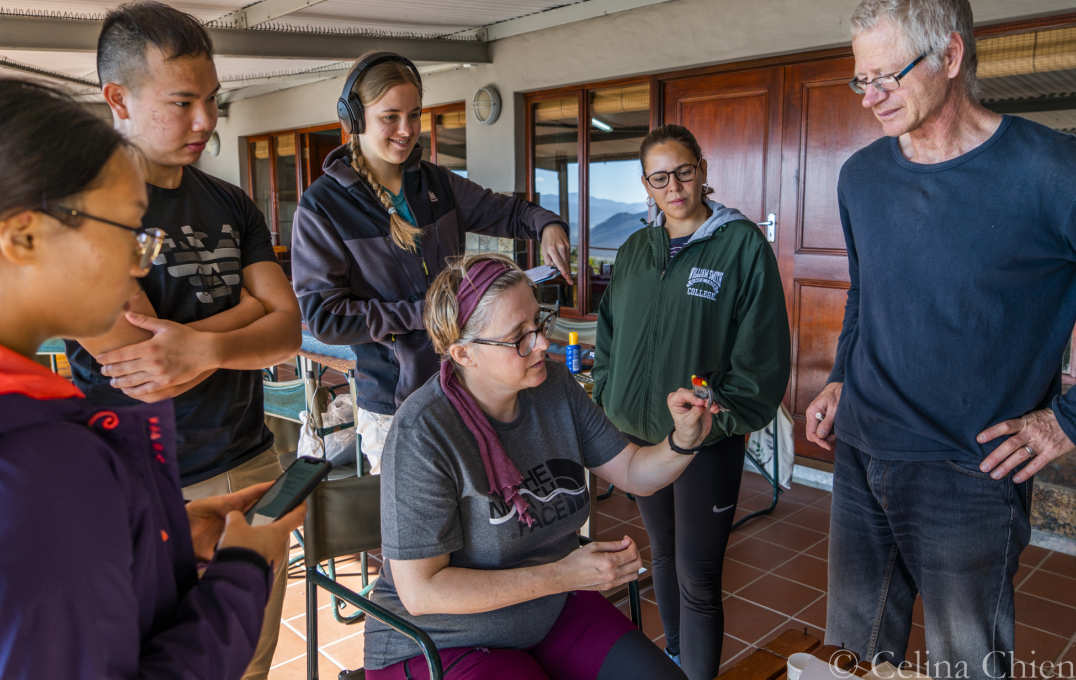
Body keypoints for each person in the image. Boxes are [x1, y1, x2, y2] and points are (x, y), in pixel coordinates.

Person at [804, 0, 1076, 676]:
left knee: (968, 666)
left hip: (970, 469)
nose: (868, 98)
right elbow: (868, 292)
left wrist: (1068, 420)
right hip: (863, 453)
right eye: (859, 80)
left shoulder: (1051, 171)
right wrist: (841, 376)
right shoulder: (861, 178)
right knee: (850, 658)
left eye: (885, 78)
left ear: (950, 57)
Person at [0, 77, 305, 680]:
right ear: (25, 235)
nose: (140, 262)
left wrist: (153, 537)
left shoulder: (39, 427)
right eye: (127, 232)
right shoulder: (39, 461)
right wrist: (243, 574)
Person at [361, 253, 720, 679]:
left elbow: (633, 473)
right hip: (439, 640)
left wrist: (683, 441)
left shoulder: (554, 387)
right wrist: (563, 574)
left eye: (540, 324)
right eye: (519, 338)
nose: (543, 344)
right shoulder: (425, 431)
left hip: (547, 610)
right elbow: (422, 592)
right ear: (463, 353)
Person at [291, 51, 572, 474]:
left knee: (484, 518)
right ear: (354, 117)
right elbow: (326, 318)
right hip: (394, 404)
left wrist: (546, 224)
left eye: (414, 114)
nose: (406, 130)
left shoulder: (436, 183)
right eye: (390, 117)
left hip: (465, 384)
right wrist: (428, 313)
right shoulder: (323, 207)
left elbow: (508, 212)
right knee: (421, 532)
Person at [592, 124, 791, 679]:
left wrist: (719, 406)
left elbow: (764, 348)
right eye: (660, 178)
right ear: (645, 185)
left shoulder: (740, 245)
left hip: (705, 438)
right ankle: (675, 659)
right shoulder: (636, 249)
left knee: (697, 574)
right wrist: (609, 396)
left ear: (702, 169)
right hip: (642, 438)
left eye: (683, 171)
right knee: (661, 553)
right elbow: (610, 335)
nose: (674, 186)